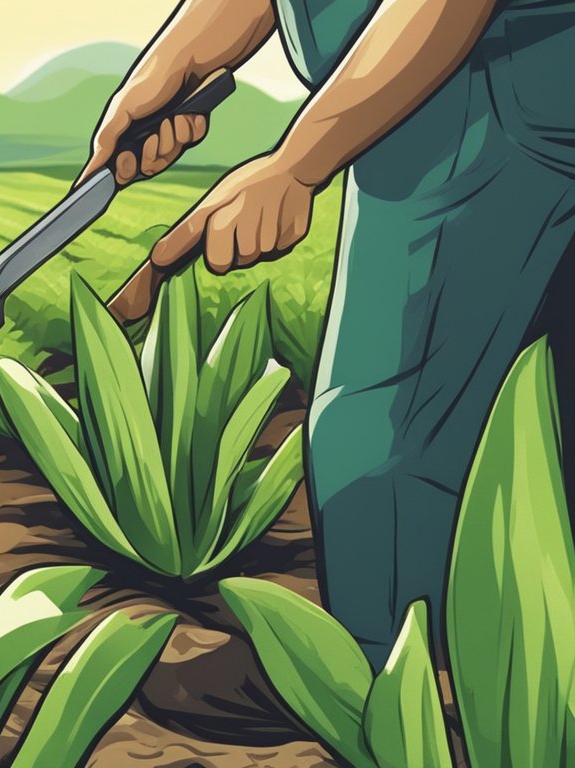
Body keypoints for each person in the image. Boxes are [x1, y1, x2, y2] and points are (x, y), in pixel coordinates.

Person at [78, 0, 575, 670]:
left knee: (378, 446)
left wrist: (298, 165)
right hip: (436, 90)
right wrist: (177, 61)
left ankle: (395, 706)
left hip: (483, 95)